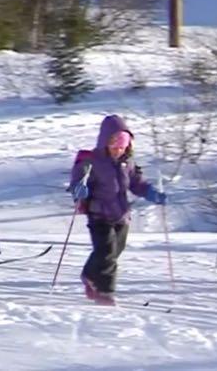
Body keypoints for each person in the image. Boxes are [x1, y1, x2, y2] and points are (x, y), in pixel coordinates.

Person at [70, 114, 167, 305]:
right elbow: (78, 182)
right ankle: (104, 292)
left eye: (122, 147)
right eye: (114, 146)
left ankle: (89, 274)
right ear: (105, 141)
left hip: (121, 215)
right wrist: (80, 191)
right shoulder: (92, 162)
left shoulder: (127, 163)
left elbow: (136, 183)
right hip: (99, 215)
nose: (118, 150)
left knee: (113, 251)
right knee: (106, 250)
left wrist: (151, 193)